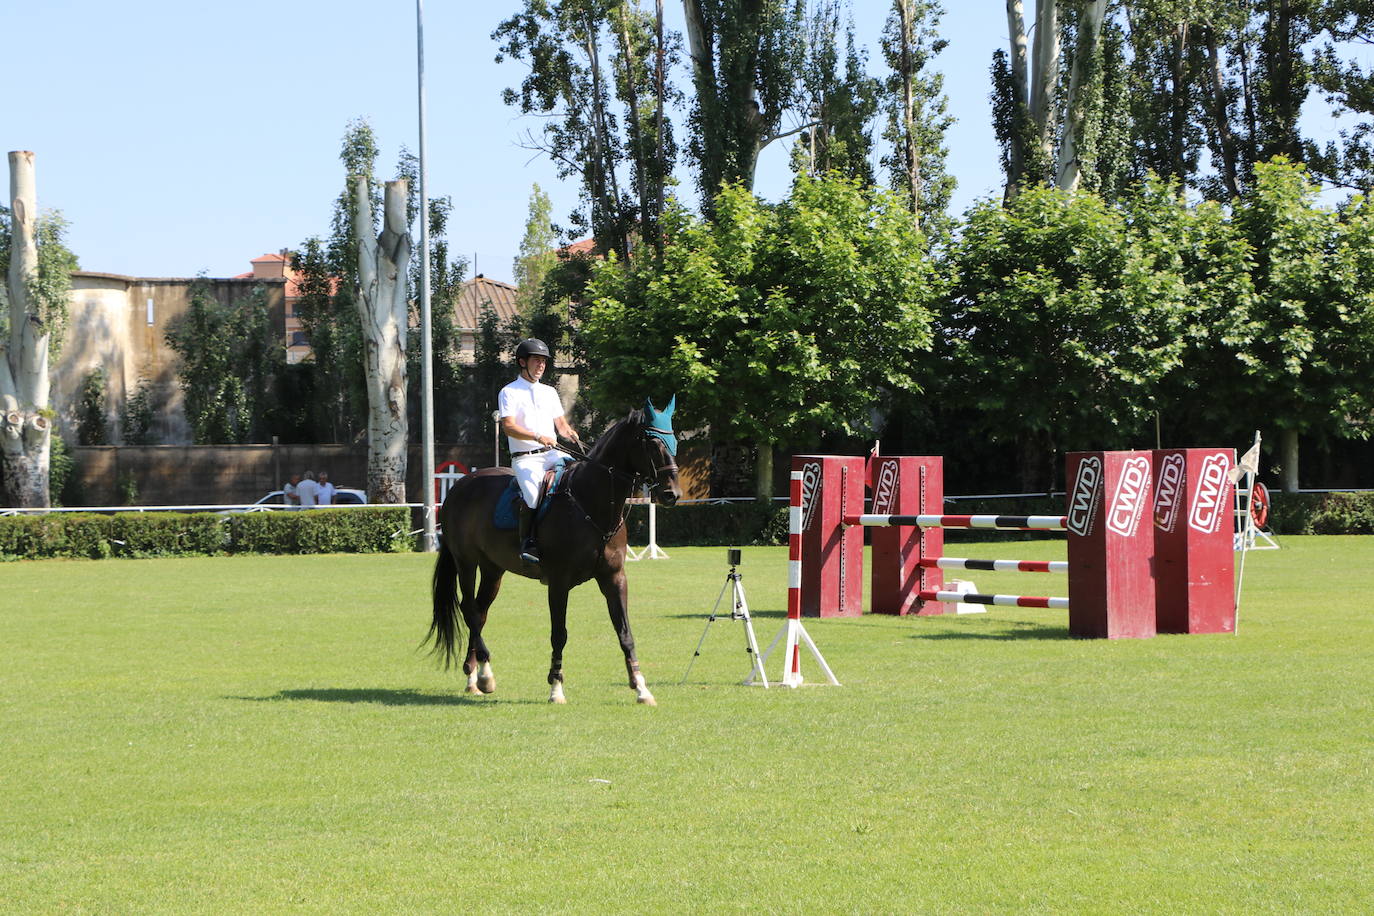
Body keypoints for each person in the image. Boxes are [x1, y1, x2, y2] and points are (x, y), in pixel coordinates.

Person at [498, 338, 583, 564]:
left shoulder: (549, 392)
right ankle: (529, 542)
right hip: (527, 459)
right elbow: (509, 426)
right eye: (536, 361)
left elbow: (561, 425)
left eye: (544, 361)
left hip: (553, 453)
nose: (541, 366)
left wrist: (570, 433)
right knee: (534, 495)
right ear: (522, 362)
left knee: (579, 477)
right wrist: (537, 436)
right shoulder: (509, 392)